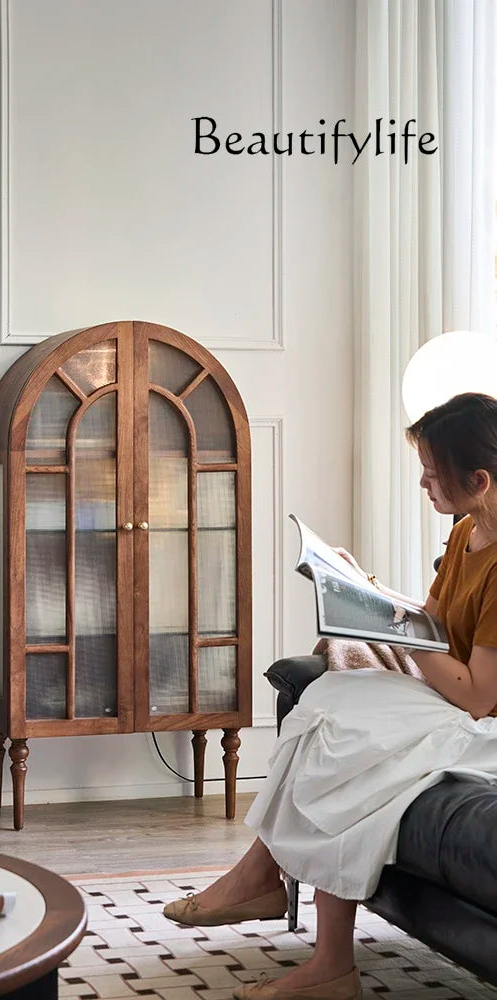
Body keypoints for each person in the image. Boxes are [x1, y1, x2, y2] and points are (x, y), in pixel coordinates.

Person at [163, 392, 497, 1000]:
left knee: (341, 732)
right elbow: (434, 621)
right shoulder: (467, 533)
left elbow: (477, 696)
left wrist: (395, 632)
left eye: (432, 469)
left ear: (478, 478)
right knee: (329, 699)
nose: (422, 480)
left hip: (484, 727)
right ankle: (297, 922)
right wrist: (364, 589)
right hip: (456, 704)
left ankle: (291, 914)